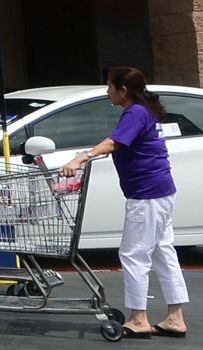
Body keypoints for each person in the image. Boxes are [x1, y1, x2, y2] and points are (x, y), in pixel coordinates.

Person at [60, 67, 188, 338]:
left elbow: (113, 143)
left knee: (134, 254)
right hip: (160, 191)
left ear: (123, 90)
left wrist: (80, 158)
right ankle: (175, 317)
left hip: (147, 194)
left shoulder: (135, 113)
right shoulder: (143, 111)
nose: (107, 91)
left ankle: (139, 319)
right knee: (162, 251)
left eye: (109, 86)